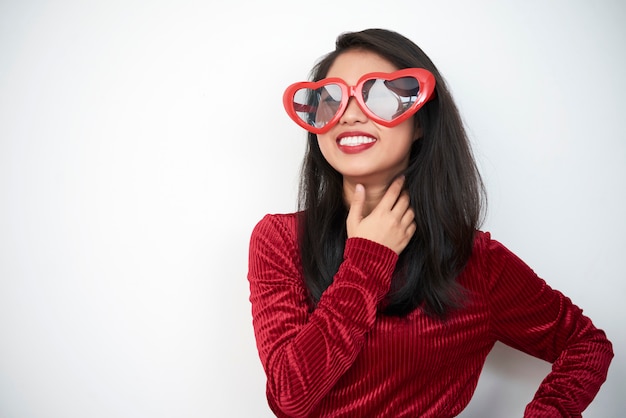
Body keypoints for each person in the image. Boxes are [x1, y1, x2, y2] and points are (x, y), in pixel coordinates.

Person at [247, 28, 613, 417]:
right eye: (331, 100)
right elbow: (290, 400)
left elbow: (586, 345)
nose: (350, 114)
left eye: (380, 96)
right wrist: (367, 260)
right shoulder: (280, 240)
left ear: (420, 122)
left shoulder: (474, 261)